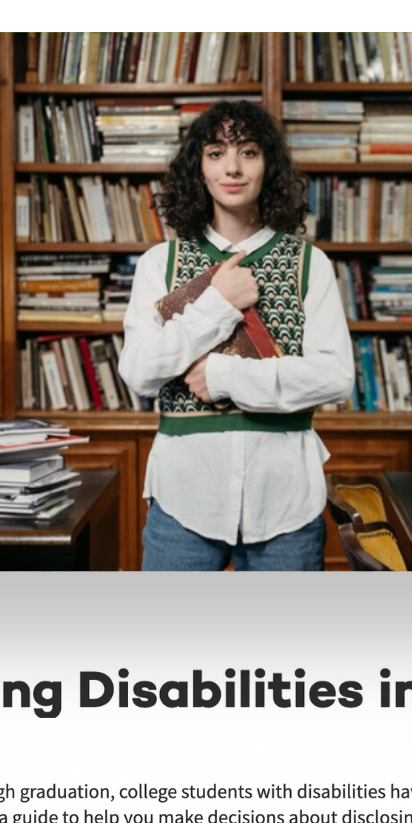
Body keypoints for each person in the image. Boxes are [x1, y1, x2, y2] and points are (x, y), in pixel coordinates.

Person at [118, 99, 354, 570]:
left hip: (285, 500)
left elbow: (335, 377)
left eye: (248, 152)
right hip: (183, 499)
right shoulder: (158, 264)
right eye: (215, 153)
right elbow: (138, 374)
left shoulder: (310, 263)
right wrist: (217, 305)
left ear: (269, 166)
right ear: (198, 169)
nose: (232, 167)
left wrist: (225, 376)